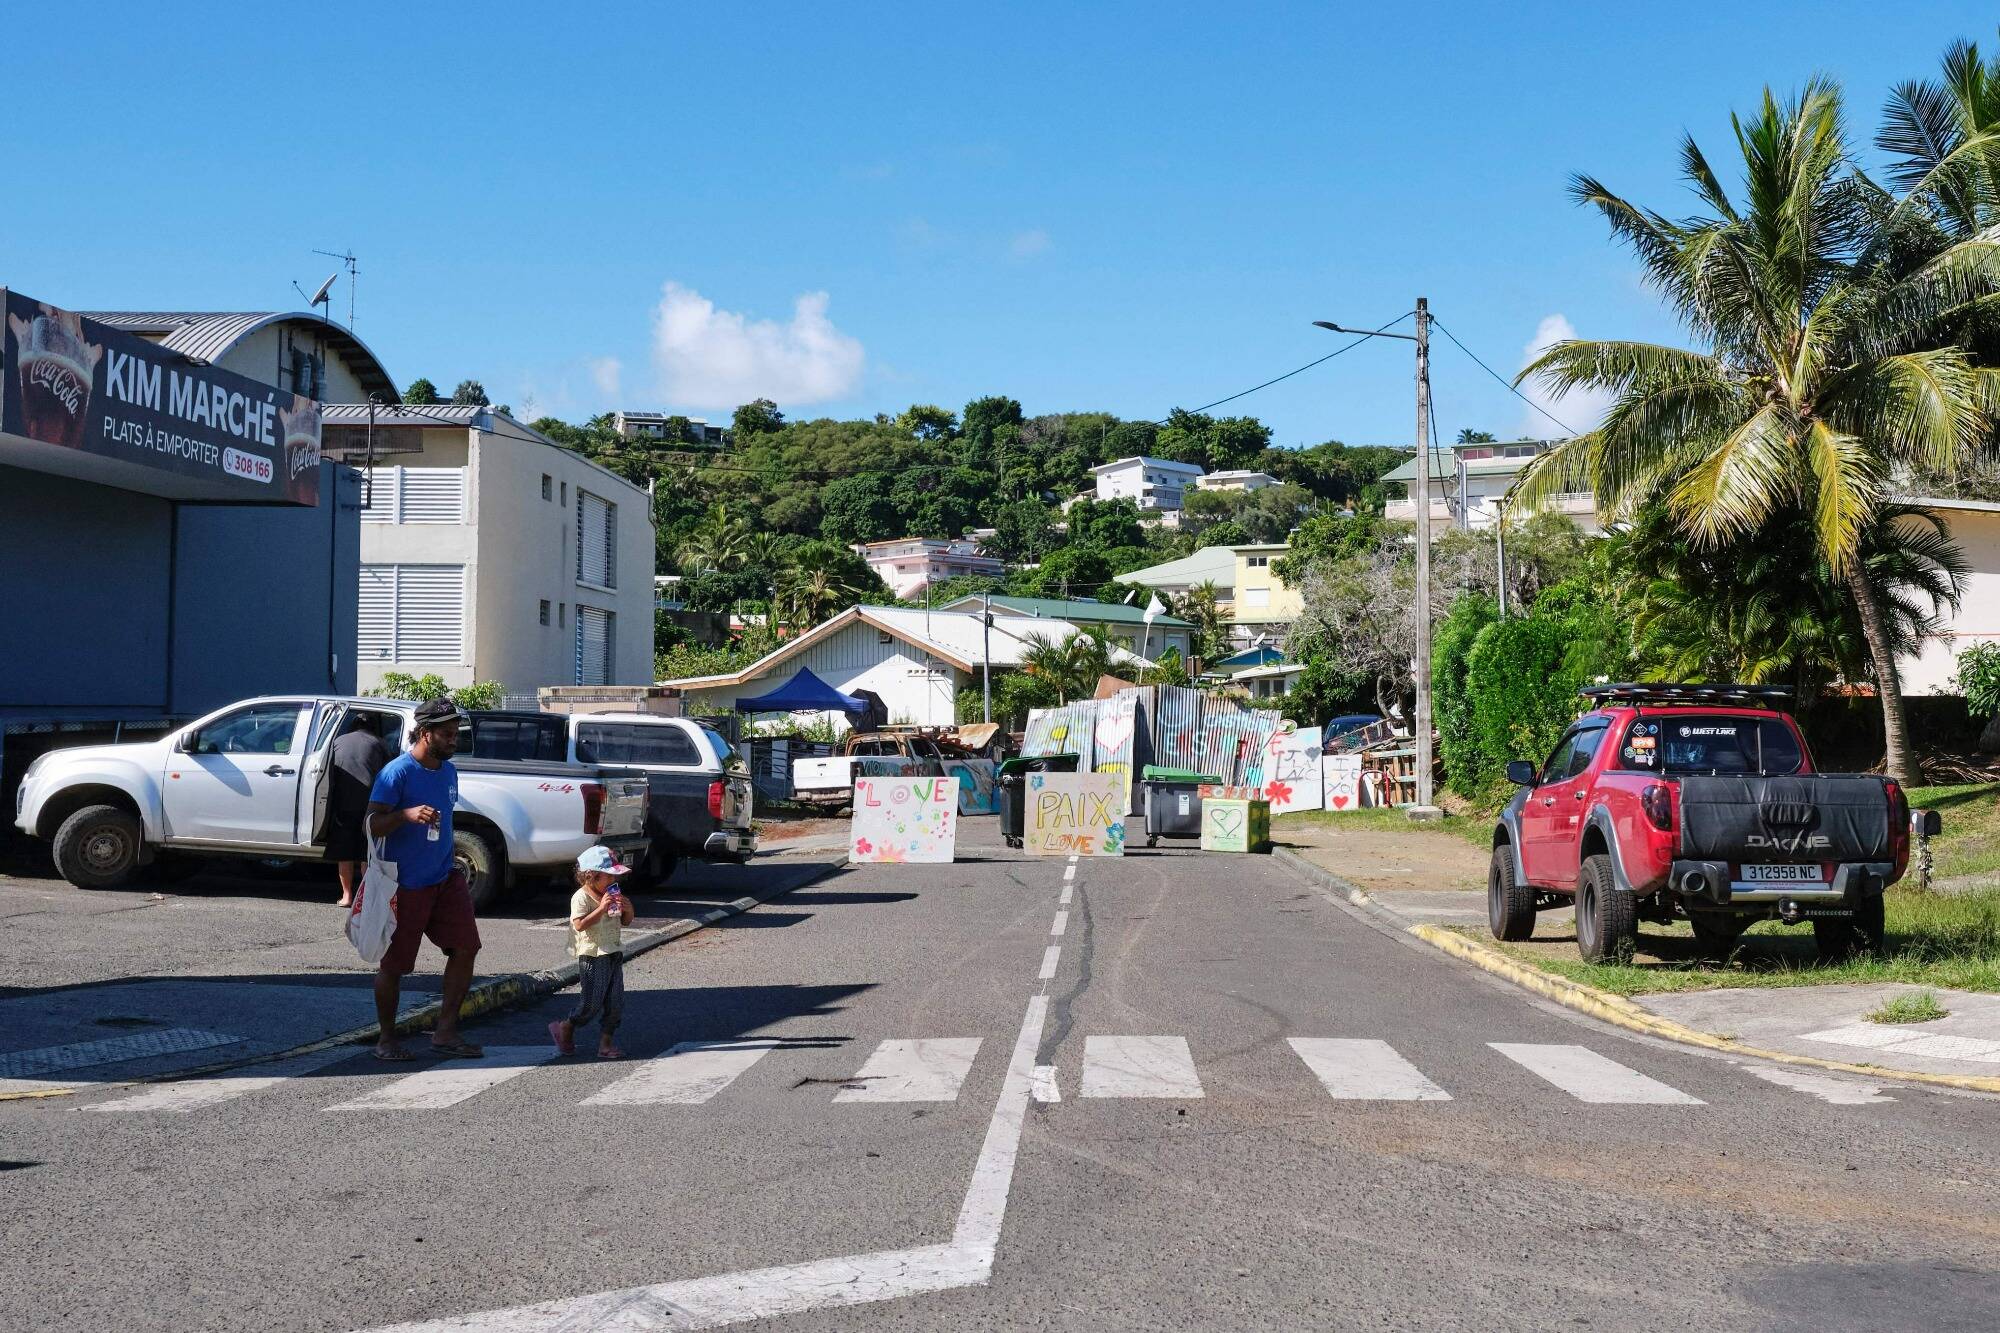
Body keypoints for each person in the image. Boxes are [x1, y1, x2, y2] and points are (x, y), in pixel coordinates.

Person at [365, 698, 482, 1062]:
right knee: (395, 965)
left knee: (466, 948)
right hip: (406, 883)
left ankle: (445, 1033)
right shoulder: (396, 773)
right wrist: (405, 814)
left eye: (455, 734)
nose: (453, 741)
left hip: (445, 878)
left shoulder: (448, 771)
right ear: (425, 733)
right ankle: (387, 1040)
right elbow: (370, 824)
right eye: (447, 735)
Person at [550, 846, 635, 1060]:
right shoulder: (581, 898)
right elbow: (579, 925)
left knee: (615, 1002)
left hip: (613, 950)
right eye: (610, 876)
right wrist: (600, 909)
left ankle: (605, 1044)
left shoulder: (611, 894)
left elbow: (624, 921)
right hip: (592, 955)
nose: (615, 881)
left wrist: (629, 910)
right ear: (591, 875)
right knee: (591, 1003)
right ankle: (566, 1026)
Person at [327, 714, 393, 907]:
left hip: (343, 803)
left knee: (345, 852)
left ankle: (347, 896)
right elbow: (388, 772)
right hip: (370, 804)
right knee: (367, 853)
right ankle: (364, 898)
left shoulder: (338, 741)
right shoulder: (379, 743)